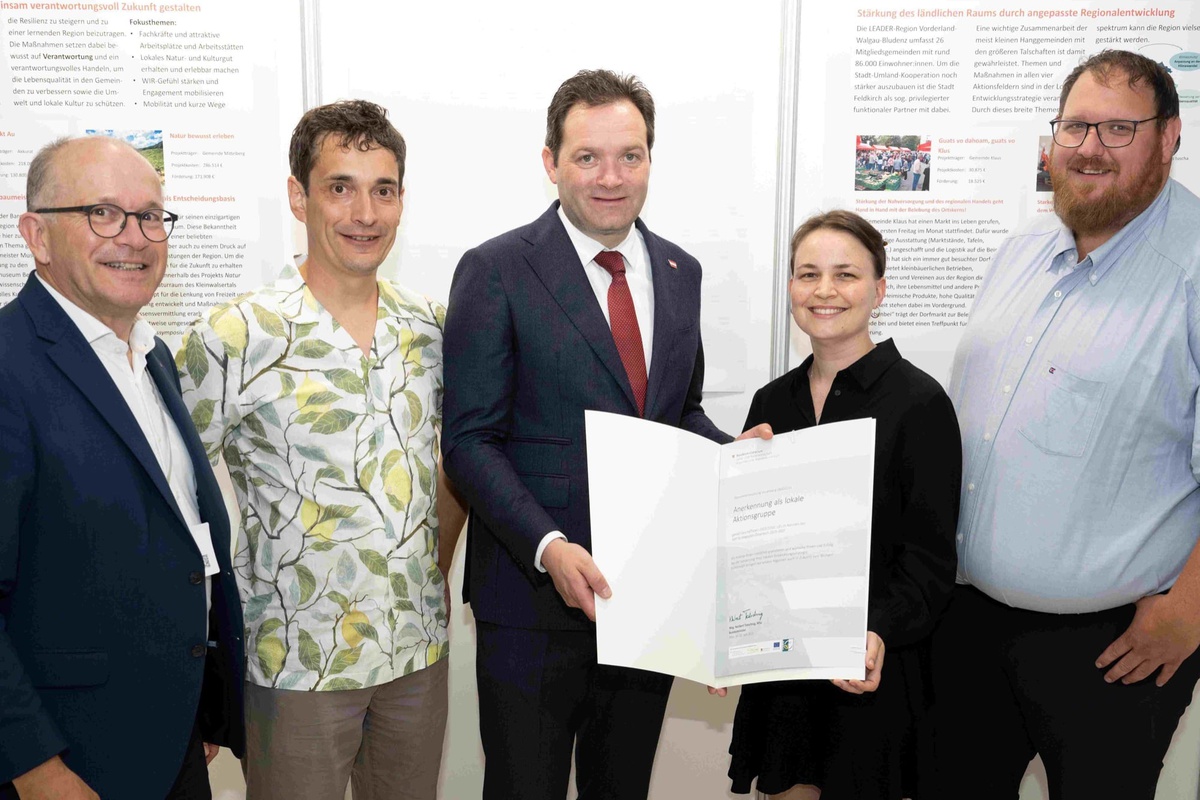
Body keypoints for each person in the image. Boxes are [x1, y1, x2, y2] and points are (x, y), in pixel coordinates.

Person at [442, 69, 767, 800]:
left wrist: (732, 456)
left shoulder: (682, 271)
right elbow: (469, 440)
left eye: (630, 155)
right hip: (532, 603)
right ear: (551, 161)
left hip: (648, 600)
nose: (611, 177)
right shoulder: (495, 270)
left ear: (652, 159)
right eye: (588, 157)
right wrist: (550, 548)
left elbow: (676, 411)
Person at [178, 100, 466, 800]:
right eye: (340, 187)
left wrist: (434, 570)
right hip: (292, 663)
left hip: (415, 653)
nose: (364, 212)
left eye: (383, 189)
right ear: (298, 197)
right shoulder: (236, 334)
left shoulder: (432, 327)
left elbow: (457, 461)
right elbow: (169, 487)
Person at [934, 50, 1200, 799]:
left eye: (1120, 128)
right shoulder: (1022, 252)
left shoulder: (1192, 268)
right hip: (971, 626)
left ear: (1170, 137)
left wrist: (1190, 611)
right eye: (1076, 125)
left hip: (1115, 646)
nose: (1090, 147)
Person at [0, 136, 244, 798]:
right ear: (38, 236)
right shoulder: (9, 364)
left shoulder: (150, 353)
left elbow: (178, 534)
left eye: (150, 216)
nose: (134, 237)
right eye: (103, 213)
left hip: (169, 738)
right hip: (69, 760)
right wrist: (36, 768)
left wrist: (207, 701)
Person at [725, 210, 961, 799]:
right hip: (782, 675)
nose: (824, 291)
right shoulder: (770, 401)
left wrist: (877, 630)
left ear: (879, 290)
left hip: (869, 671)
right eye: (808, 274)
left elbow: (929, 563)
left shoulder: (920, 402)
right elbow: (750, 548)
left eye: (845, 275)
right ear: (790, 290)